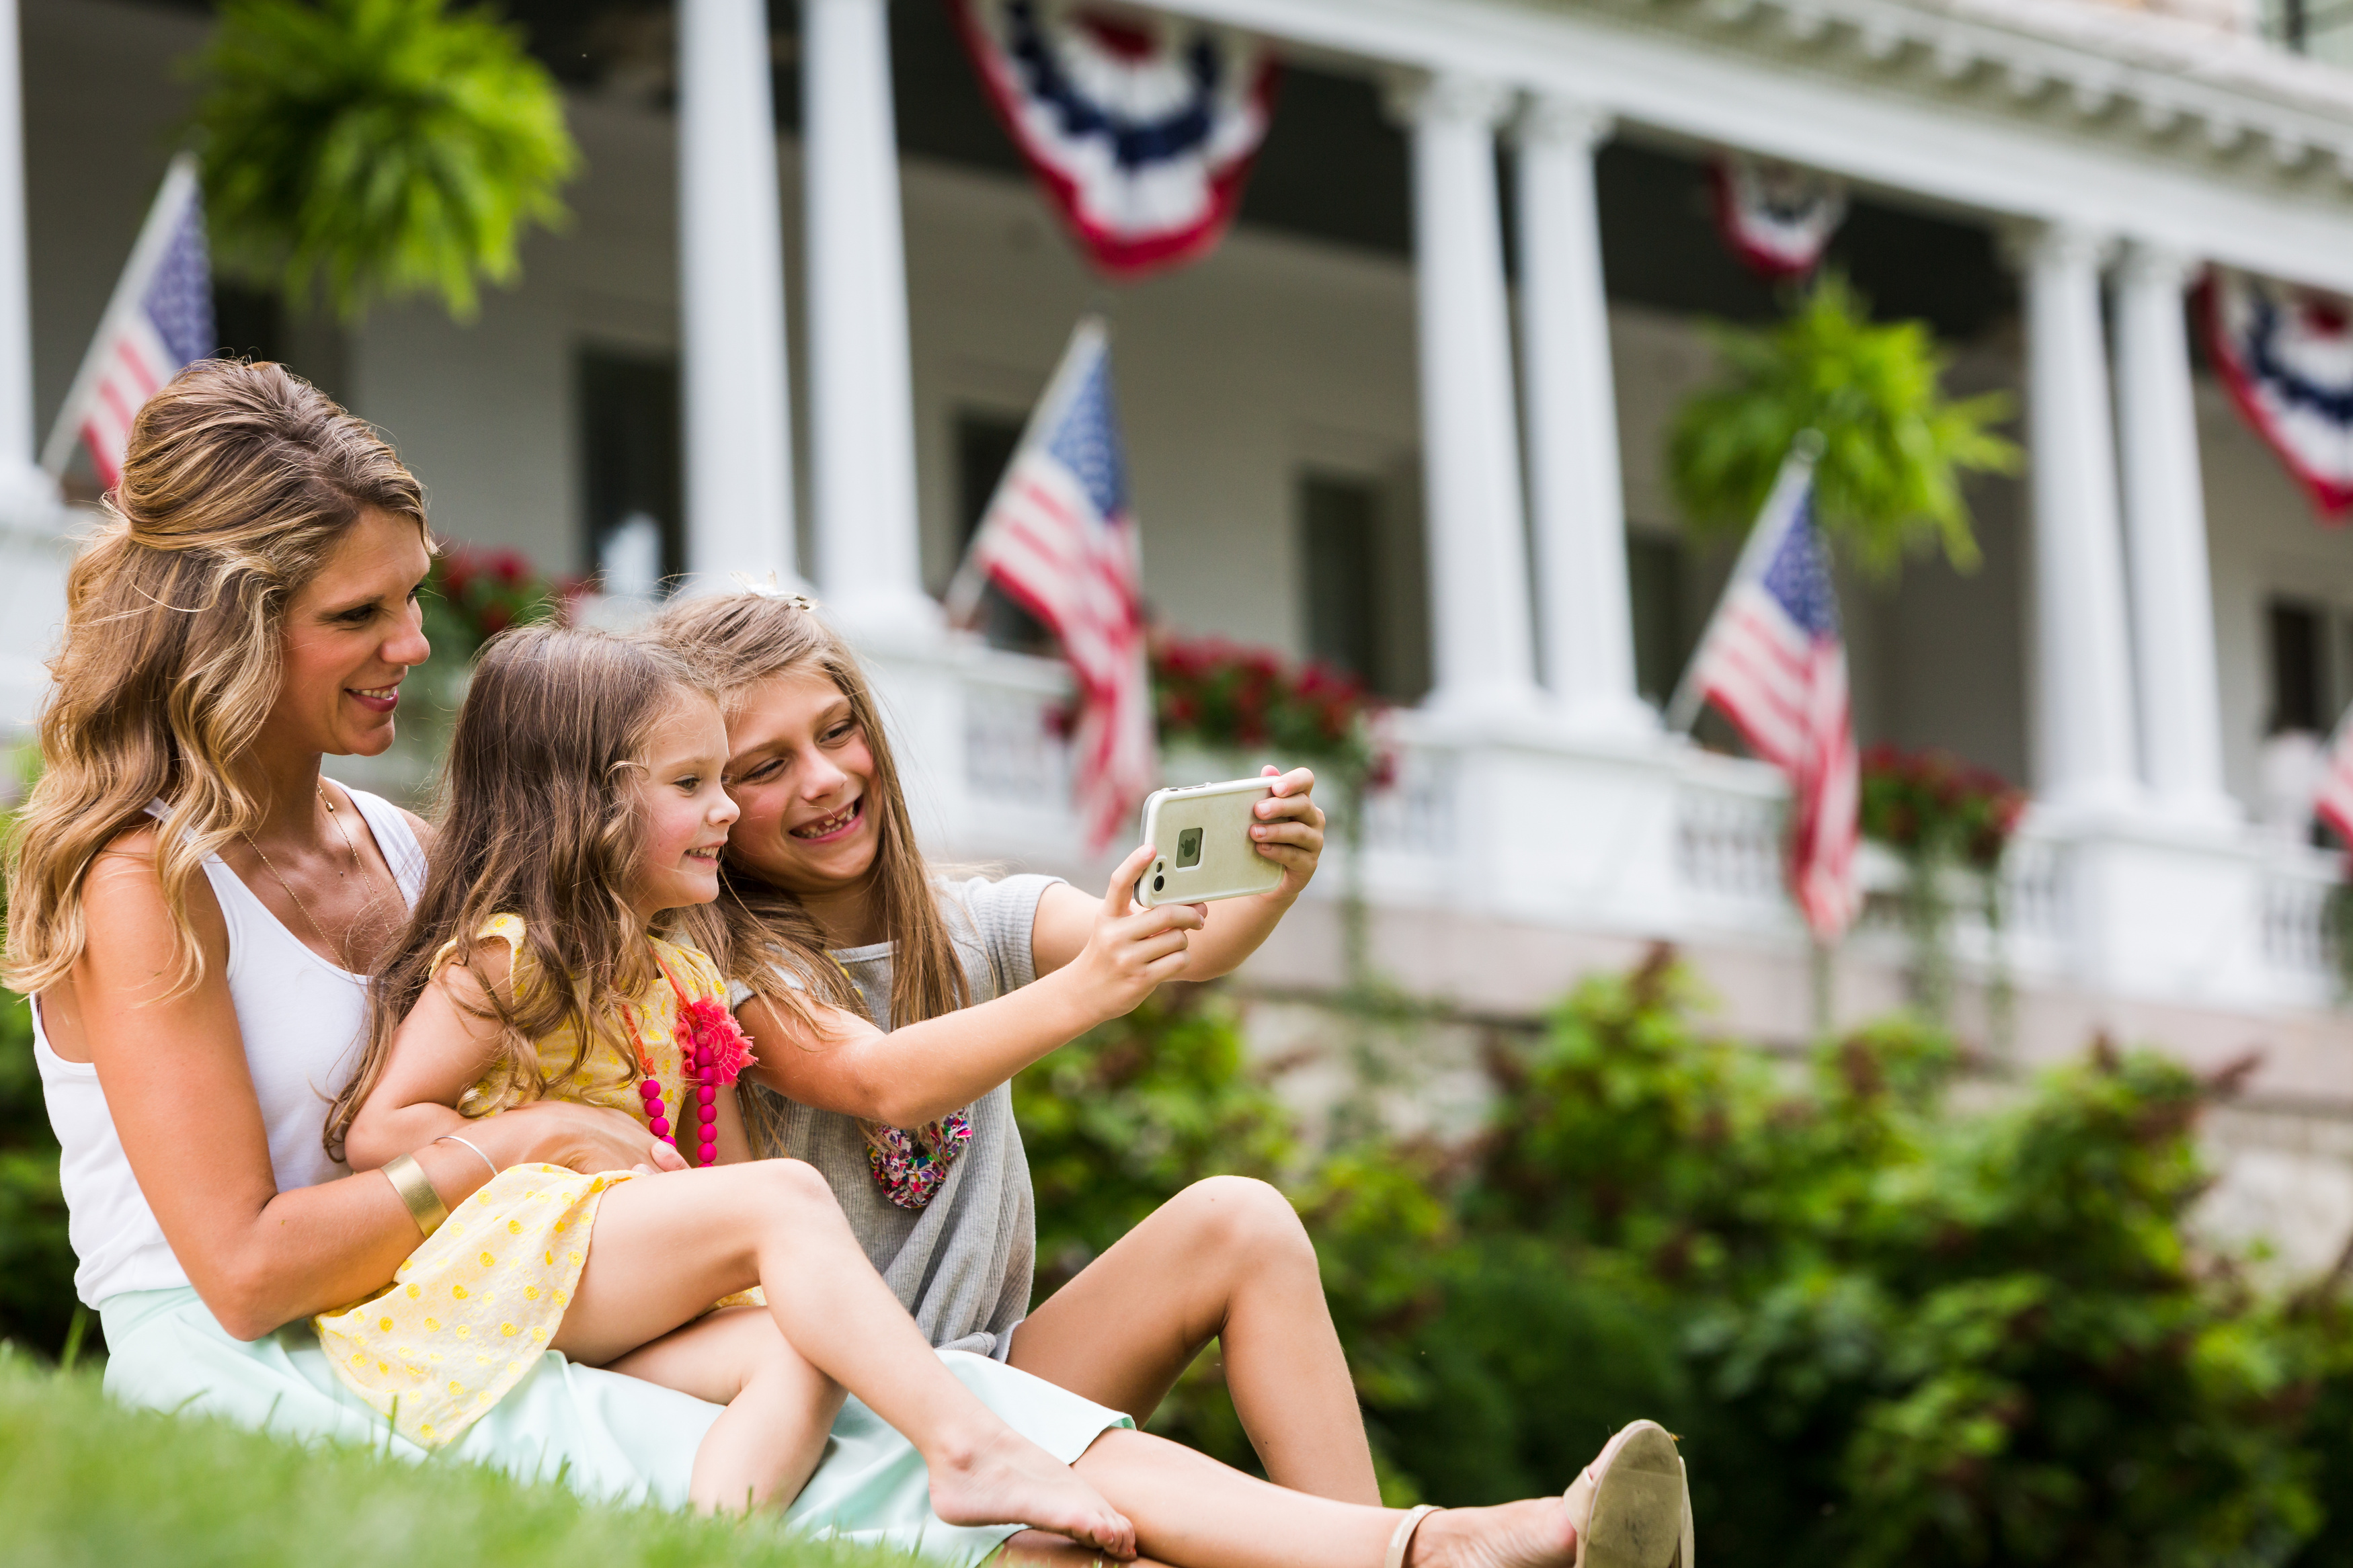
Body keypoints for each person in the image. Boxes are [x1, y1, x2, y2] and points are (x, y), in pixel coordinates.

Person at [9, 358, 1691, 1568]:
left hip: (469, 1302)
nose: (411, 646)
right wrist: (509, 1149)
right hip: (274, 1351)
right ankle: (1435, 1551)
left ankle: (1427, 1551)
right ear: (230, 627)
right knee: (912, 1449)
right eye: (360, 618)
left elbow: (600, 1052)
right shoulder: (144, 878)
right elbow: (236, 1274)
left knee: (929, 1429)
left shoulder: (405, 851)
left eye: (411, 600)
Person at [319, 622, 1133, 1549]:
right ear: (587, 802)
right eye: (692, 784)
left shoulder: (687, 980)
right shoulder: (511, 961)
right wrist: (551, 1128)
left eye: (721, 779)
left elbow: (728, 1183)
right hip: (517, 1267)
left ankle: (713, 1545)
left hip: (629, 1284)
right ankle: (968, 1444)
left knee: (799, 1351)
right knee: (792, 1194)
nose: (727, 812)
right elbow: (380, 1131)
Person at [642, 590, 1367, 1503]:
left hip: (998, 1381)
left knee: (1244, 1220)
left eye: (837, 731)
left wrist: (1273, 880)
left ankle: (1358, 1540)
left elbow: (1185, 945)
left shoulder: (974, 921)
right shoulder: (725, 971)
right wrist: (1087, 988)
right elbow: (881, 1079)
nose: (823, 778)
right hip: (835, 1414)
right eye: (765, 766)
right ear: (706, 796)